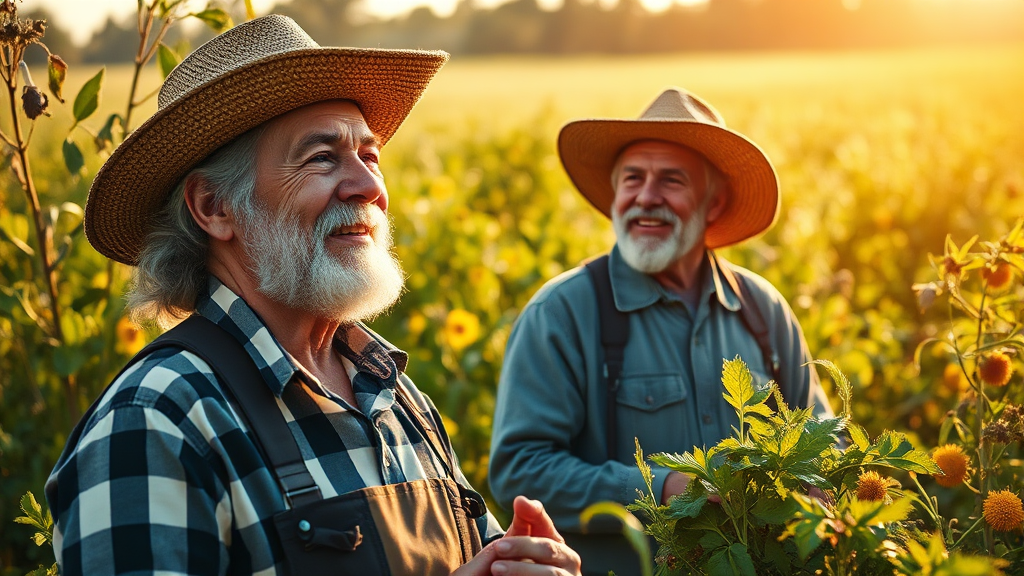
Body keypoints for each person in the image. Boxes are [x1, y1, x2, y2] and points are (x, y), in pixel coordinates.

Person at [45, 15, 580, 576]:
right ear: (214, 207)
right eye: (322, 157)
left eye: (370, 156)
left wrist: (522, 564)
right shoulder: (156, 419)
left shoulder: (392, 393)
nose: (369, 187)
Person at [488, 88, 833, 576]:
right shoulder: (562, 312)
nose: (646, 197)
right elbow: (519, 470)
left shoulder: (763, 309)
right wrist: (661, 486)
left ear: (714, 203)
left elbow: (824, 438)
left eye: (671, 180)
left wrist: (819, 486)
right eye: (633, 178)